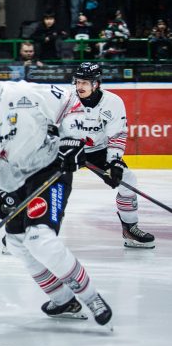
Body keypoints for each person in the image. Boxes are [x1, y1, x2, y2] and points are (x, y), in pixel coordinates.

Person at [0, 50, 113, 326]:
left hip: (47, 170)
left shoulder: (22, 94)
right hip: (9, 186)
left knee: (40, 239)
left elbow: (71, 103)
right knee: (17, 244)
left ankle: (91, 296)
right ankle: (63, 300)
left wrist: (72, 140)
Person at [61, 62, 155, 248]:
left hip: (98, 151)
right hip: (68, 150)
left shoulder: (113, 102)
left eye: (85, 83)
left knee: (127, 180)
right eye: (78, 82)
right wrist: (67, 148)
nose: (80, 86)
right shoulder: (66, 99)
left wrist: (114, 162)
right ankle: (33, 232)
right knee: (53, 189)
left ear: (96, 84)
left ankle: (129, 228)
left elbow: (117, 134)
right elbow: (54, 128)